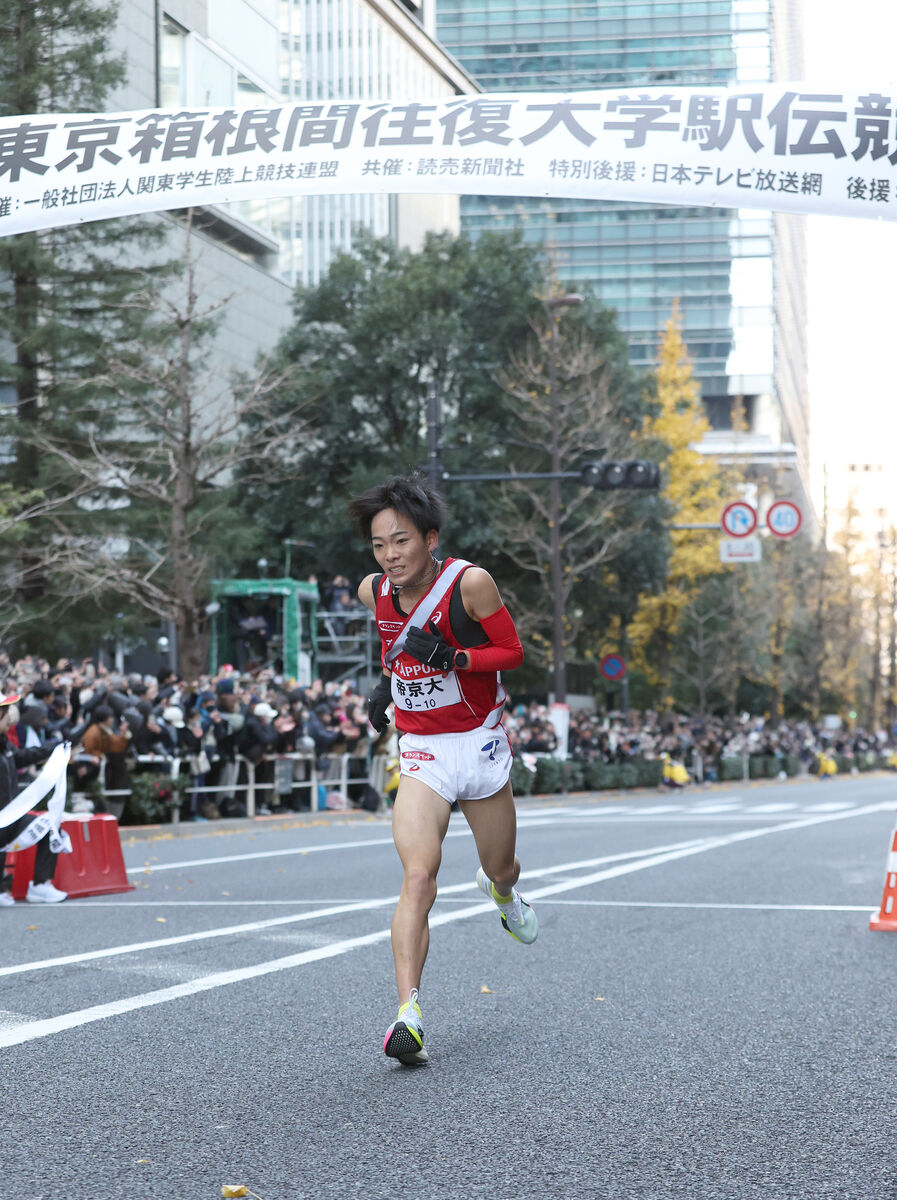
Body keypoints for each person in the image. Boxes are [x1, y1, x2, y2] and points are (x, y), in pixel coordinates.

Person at [349, 474, 537, 1068]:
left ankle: (501, 893)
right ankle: (409, 1014)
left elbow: (511, 653)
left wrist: (453, 656)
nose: (391, 556)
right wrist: (386, 685)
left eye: (401, 541)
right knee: (418, 876)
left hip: (478, 746)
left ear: (431, 538)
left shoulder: (470, 584)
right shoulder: (372, 591)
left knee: (499, 864)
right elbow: (391, 643)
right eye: (380, 546)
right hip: (423, 752)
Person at [0, 692, 67, 905]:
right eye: (4, 714)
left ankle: (40, 886)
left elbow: (22, 757)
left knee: (50, 826)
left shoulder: (5, 745)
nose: (9, 718)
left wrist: (51, 748)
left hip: (9, 817)